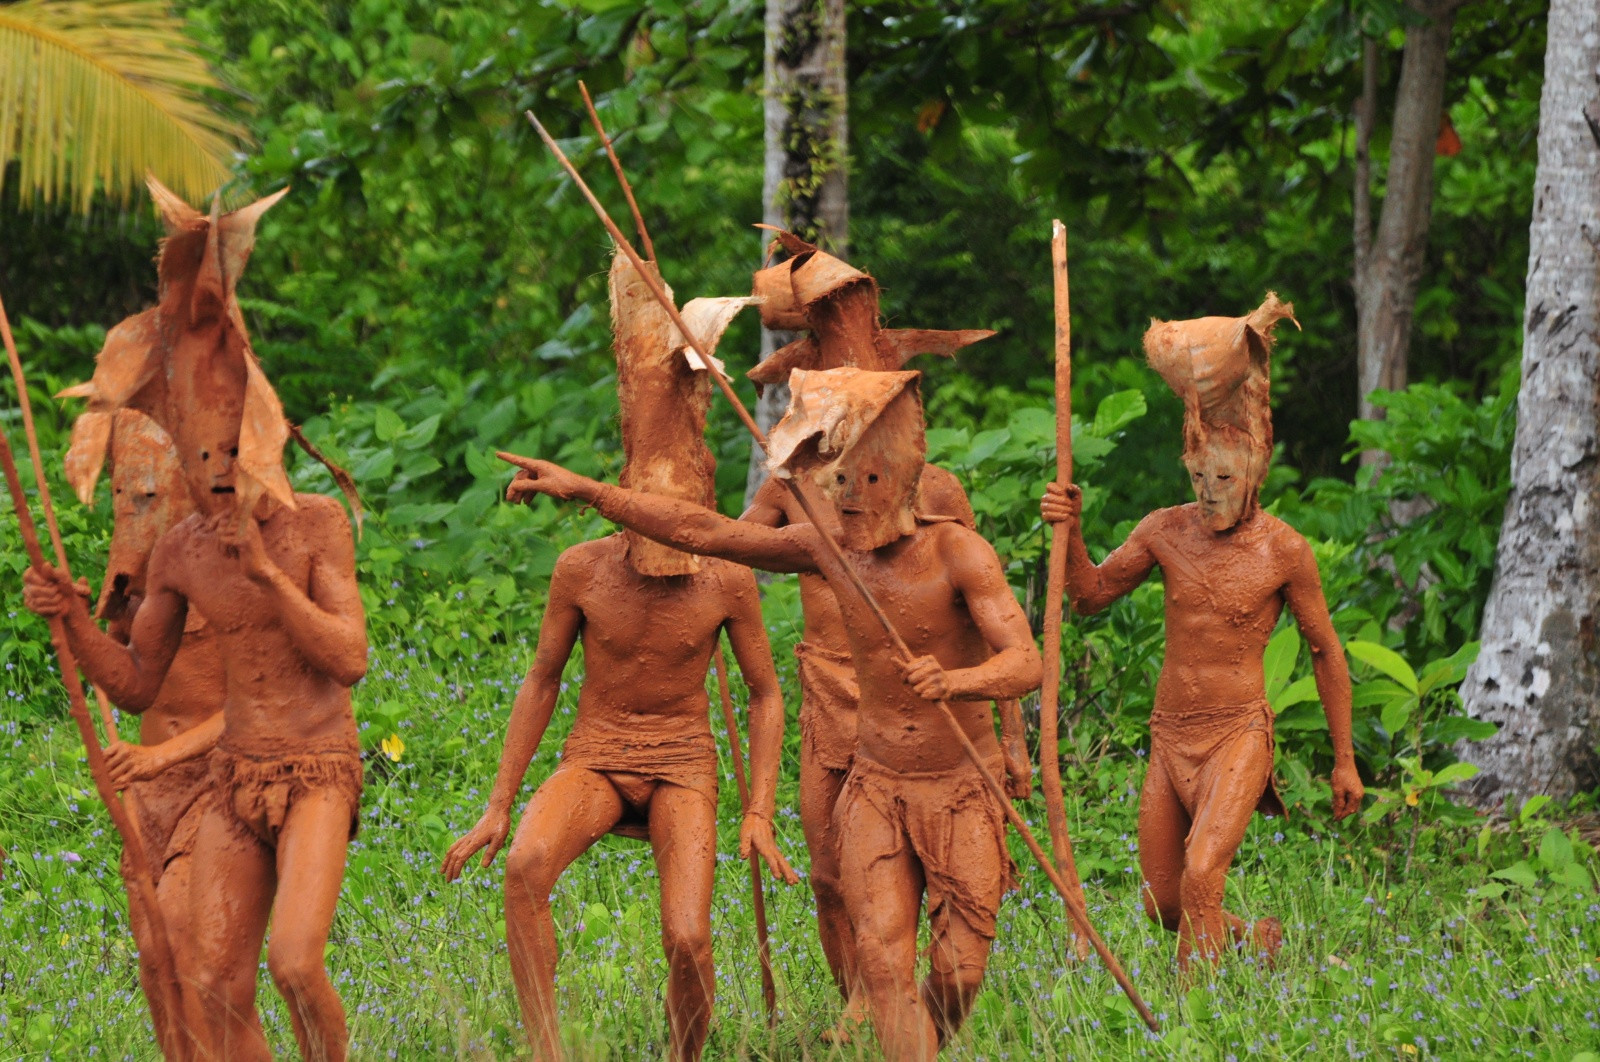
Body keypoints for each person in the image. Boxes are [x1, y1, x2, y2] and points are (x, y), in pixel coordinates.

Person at [502, 366, 1042, 1062]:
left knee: (959, 973)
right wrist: (590, 491)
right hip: (876, 785)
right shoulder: (828, 550)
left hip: (959, 786)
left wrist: (960, 680)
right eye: (835, 484)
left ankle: (929, 1033)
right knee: (881, 965)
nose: (843, 501)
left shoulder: (959, 552)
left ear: (900, 476)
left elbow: (1025, 662)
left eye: (860, 483)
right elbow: (704, 531)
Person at [24, 180, 366, 1062]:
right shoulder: (176, 551)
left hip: (318, 769)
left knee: (293, 962)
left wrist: (268, 576)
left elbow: (351, 658)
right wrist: (69, 618)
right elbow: (135, 679)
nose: (217, 474)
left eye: (230, 455)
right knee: (200, 977)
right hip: (232, 782)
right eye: (199, 456)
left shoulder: (315, 526)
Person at [441, 252, 794, 1062]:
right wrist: (498, 804)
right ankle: (546, 1051)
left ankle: (684, 1055)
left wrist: (758, 811)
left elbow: (766, 695)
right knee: (526, 867)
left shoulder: (727, 578)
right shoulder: (584, 571)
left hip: (682, 763)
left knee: (689, 938)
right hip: (598, 753)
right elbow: (542, 680)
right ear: (626, 503)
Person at [740, 236, 1028, 1039]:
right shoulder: (792, 482)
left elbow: (987, 630)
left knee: (940, 881)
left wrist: (1010, 740)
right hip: (831, 689)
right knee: (830, 870)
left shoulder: (932, 492)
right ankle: (864, 995)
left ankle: (912, 1007)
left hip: (928, 707)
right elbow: (731, 550)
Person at [1040, 295, 1363, 973]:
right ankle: (1254, 941)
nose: (1211, 492)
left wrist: (1344, 758)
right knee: (1164, 903)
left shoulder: (1285, 551)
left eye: (1225, 479)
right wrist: (1069, 531)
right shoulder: (1164, 529)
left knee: (1201, 874)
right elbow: (1092, 595)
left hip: (1237, 732)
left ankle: (1197, 1025)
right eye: (1199, 477)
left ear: (1254, 475)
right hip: (1171, 733)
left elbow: (1325, 650)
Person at [56, 405, 225, 1060]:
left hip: (208, 782)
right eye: (129, 495)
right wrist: (72, 619)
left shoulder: (230, 566)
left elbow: (253, 702)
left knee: (184, 935)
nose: (138, 507)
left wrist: (162, 762)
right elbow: (122, 673)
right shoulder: (140, 574)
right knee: (154, 951)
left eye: (150, 493)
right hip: (146, 790)